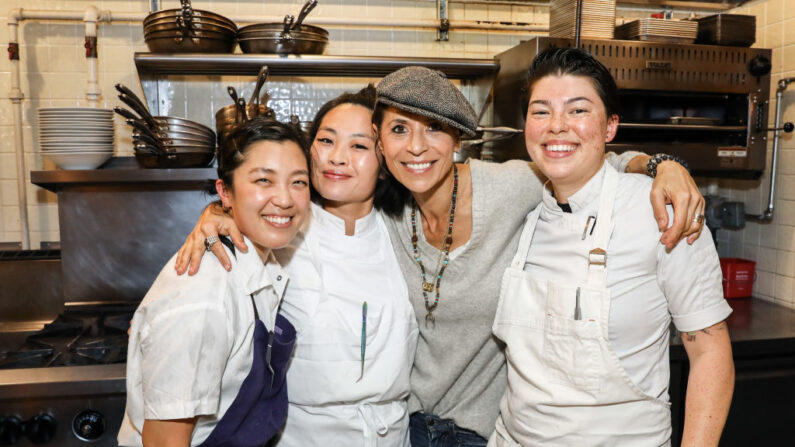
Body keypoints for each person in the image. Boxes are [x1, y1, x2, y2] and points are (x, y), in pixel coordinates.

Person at [177, 66, 706, 446]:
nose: (417, 147)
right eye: (399, 130)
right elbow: (278, 211)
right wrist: (222, 215)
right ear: (381, 147)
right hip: (404, 429)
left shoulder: (516, 187)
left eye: (434, 128)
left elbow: (588, 161)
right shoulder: (382, 214)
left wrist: (662, 163)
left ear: (458, 140)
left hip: (485, 431)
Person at [489, 47, 734, 446]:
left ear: (610, 127)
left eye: (578, 110)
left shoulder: (662, 212)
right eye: (540, 111)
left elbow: (710, 351)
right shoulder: (521, 202)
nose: (557, 126)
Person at [175, 86, 418, 446]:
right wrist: (214, 213)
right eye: (326, 141)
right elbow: (199, 306)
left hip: (395, 434)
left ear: (384, 165)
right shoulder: (280, 226)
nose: (337, 158)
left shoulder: (404, 230)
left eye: (359, 146)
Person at [117, 117, 311, 447]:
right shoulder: (204, 296)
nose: (285, 199)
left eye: (299, 182)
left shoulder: (257, 256)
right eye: (264, 180)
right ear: (225, 191)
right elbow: (165, 441)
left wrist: (214, 211)